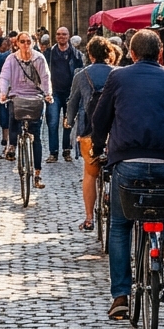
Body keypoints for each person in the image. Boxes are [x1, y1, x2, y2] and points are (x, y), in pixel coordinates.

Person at [92, 29, 164, 320]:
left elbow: (101, 119)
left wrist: (99, 147)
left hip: (128, 160)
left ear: (131, 53)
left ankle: (121, 295)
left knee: (120, 226)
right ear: (160, 53)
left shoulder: (118, 77)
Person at [67, 36, 115, 232]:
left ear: (91, 54)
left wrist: (69, 122)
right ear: (109, 54)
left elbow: (72, 102)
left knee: (90, 173)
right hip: (115, 130)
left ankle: (89, 218)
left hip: (90, 130)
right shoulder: (119, 73)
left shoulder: (81, 75)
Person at [0, 31, 53, 188]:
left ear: (33, 42)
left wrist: (48, 93)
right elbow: (4, 76)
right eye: (22, 41)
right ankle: (12, 145)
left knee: (36, 135)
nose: (25, 45)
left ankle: (37, 174)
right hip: (17, 95)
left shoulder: (38, 58)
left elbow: (45, 77)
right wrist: (3, 93)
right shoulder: (12, 59)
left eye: (28, 41)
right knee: (13, 113)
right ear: (17, 43)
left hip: (35, 97)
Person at [44, 26, 85, 163]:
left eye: (64, 34)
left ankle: (66, 150)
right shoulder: (49, 53)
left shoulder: (76, 54)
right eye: (58, 34)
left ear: (69, 36)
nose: (61, 36)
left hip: (70, 93)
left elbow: (80, 73)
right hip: (53, 92)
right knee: (53, 122)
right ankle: (53, 152)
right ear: (56, 36)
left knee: (68, 122)